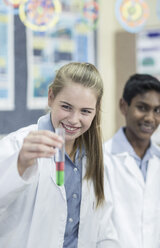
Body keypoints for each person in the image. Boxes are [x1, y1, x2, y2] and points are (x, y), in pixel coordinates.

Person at [0, 62, 119, 248]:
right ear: (50, 97)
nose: (73, 119)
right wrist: (20, 165)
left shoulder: (95, 156)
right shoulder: (18, 145)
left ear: (96, 109)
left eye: (85, 111)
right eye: (66, 107)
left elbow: (103, 227)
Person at [104, 73, 160, 248]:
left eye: (158, 110)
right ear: (124, 106)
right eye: (142, 107)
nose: (150, 118)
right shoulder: (102, 159)